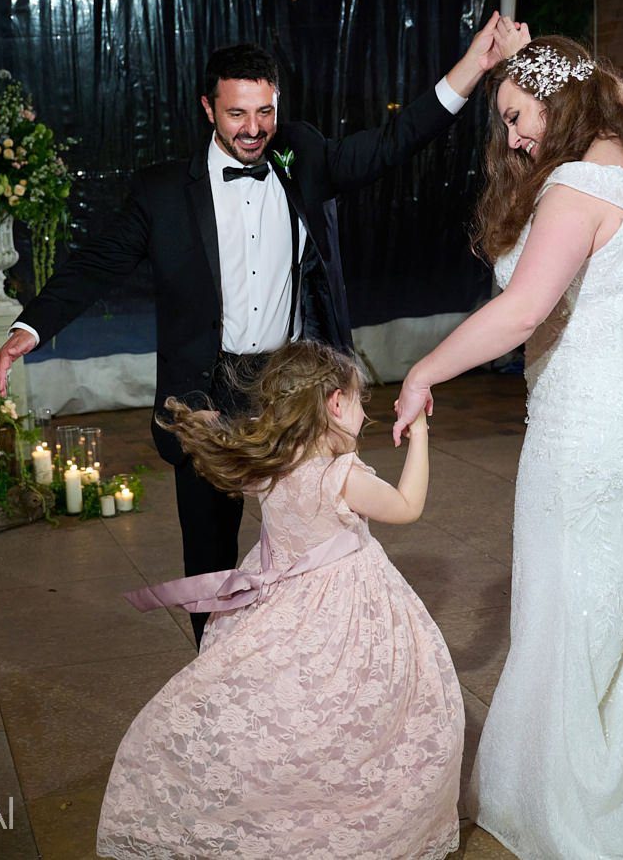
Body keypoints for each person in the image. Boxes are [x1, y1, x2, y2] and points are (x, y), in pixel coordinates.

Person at [0, 17, 508, 643]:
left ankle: (299, 669)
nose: (254, 128)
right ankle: (215, 674)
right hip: (207, 391)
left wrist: (472, 68)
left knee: (312, 540)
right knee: (210, 552)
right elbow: (97, 262)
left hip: (290, 390)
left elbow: (392, 142)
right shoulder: (163, 193)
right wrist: (32, 326)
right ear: (208, 107)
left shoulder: (302, 153)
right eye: (238, 114)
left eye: (265, 111)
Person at [393, 34, 623, 858]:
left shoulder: (576, 185)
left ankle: (581, 807)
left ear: (556, 102)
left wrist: (421, 372)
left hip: (597, 423)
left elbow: (519, 313)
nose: (511, 137)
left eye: (515, 116)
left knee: (566, 602)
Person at [96, 341, 464, 859]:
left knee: (289, 698)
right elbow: (406, 507)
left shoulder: (271, 464)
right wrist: (421, 433)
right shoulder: (341, 476)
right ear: (335, 404)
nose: (365, 413)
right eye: (361, 402)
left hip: (280, 603)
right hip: (344, 608)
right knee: (359, 701)